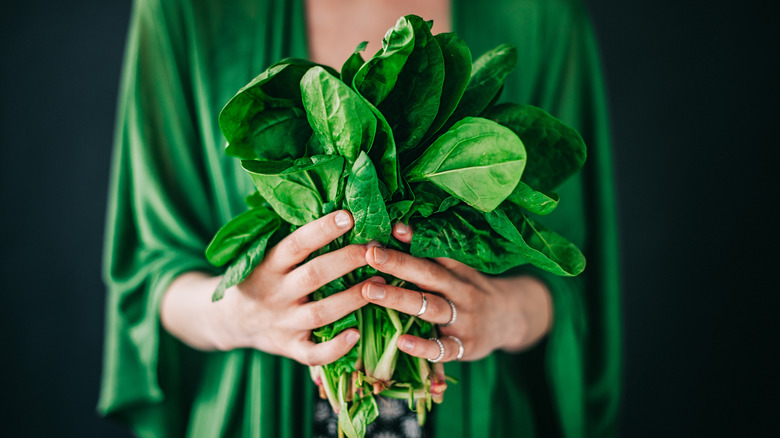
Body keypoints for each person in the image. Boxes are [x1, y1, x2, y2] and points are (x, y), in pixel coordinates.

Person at [98, 0, 621, 437]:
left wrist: (503, 312)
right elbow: (148, 277)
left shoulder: (540, 15)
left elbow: (574, 278)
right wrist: (242, 313)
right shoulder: (184, 11)